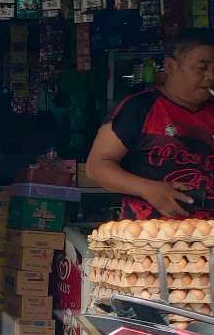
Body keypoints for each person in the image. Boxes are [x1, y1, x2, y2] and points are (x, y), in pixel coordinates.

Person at [86, 27, 214, 219]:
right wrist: (148, 189)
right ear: (171, 67)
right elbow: (97, 167)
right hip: (149, 234)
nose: (211, 76)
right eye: (202, 68)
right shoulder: (139, 107)